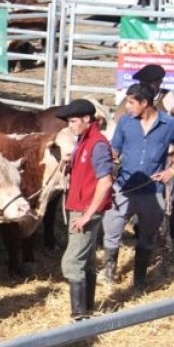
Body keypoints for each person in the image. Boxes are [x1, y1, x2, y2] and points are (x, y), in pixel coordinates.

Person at [102, 84, 174, 292]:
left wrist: (172, 171)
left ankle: (139, 281)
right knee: (111, 232)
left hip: (152, 191)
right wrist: (107, 161)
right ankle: (108, 276)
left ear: (145, 103)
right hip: (123, 188)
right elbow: (115, 150)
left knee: (147, 237)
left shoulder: (169, 124)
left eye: (131, 102)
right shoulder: (125, 122)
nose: (127, 106)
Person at [57, 100, 114, 321]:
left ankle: (79, 316)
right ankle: (87, 309)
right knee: (87, 258)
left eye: (73, 121)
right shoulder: (84, 140)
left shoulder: (97, 144)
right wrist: (69, 163)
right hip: (80, 206)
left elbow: (105, 182)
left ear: (87, 119)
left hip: (85, 210)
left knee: (72, 262)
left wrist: (88, 215)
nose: (70, 126)